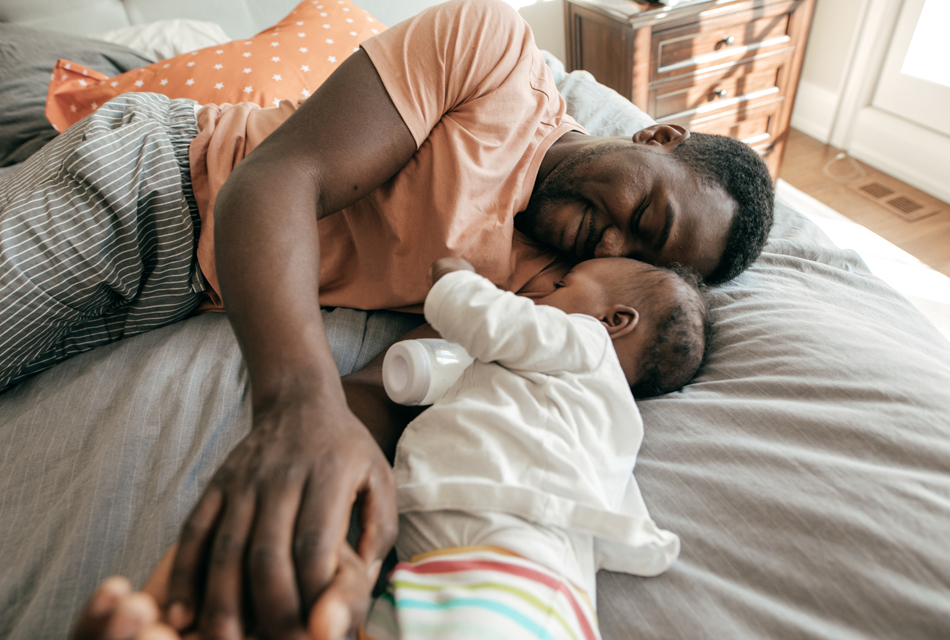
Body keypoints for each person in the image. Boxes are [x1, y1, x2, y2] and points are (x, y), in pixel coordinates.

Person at [0, 0, 773, 636]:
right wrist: (296, 405)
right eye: (646, 209)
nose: (611, 239)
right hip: (152, 187)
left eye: (639, 251)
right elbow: (277, 182)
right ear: (657, 137)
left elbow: (390, 387)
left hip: (180, 296)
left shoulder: (557, 287)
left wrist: (343, 534)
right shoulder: (492, 54)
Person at [70, 254, 708, 640]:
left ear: (614, 320)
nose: (539, 295)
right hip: (447, 571)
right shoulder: (565, 404)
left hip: (513, 570)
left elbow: (495, 323)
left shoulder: (585, 343)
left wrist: (457, 279)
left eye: (562, 286)